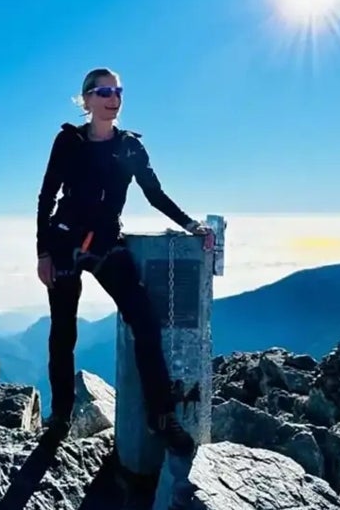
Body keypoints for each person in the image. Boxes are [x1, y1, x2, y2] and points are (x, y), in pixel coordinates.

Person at [36, 67, 212, 455]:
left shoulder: (130, 147)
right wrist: (43, 253)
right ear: (86, 100)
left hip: (105, 245)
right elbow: (47, 196)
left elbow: (154, 193)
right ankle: (61, 417)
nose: (112, 97)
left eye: (117, 91)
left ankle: (161, 417)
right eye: (102, 91)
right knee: (63, 333)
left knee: (144, 322)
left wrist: (190, 224)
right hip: (64, 244)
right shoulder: (68, 141)